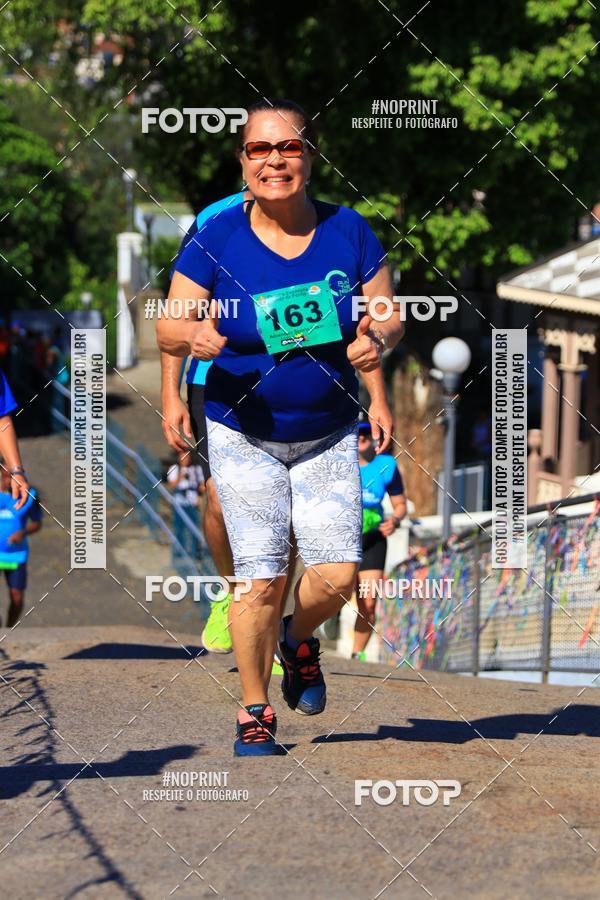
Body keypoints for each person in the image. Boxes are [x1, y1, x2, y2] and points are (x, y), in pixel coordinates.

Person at [157, 97, 403, 756]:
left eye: (288, 148)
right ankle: (254, 711)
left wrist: (375, 340)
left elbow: (387, 314)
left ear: (310, 157)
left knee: (340, 575)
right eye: (260, 150)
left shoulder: (350, 231)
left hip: (325, 428)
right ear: (243, 163)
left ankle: (297, 641)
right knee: (259, 576)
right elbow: (168, 324)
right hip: (242, 425)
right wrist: (194, 336)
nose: (275, 161)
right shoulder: (217, 239)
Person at [352, 420, 407, 659]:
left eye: (367, 432)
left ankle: (357, 655)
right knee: (335, 592)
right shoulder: (340, 464)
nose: (362, 437)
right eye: (357, 433)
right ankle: (330, 616)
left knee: (368, 602)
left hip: (373, 539)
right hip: (343, 537)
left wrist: (394, 519)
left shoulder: (387, 465)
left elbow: (400, 504)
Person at [167, 448, 205, 569]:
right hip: (179, 503)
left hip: (192, 502)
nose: (185, 459)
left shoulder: (196, 470)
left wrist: (201, 493)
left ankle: (194, 553)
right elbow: (172, 485)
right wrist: (182, 474)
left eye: (187, 456)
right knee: (179, 529)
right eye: (183, 456)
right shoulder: (174, 469)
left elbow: (202, 486)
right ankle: (179, 553)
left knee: (194, 528)